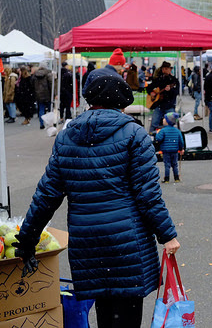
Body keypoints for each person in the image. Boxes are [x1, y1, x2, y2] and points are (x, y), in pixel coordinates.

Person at [13, 74, 180, 327]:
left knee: (105, 313)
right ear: (121, 103)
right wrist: (167, 235)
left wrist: (27, 239)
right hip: (127, 243)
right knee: (127, 313)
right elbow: (147, 195)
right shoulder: (134, 134)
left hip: (88, 243)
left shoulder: (67, 137)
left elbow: (47, 195)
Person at [147, 61, 179, 133]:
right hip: (159, 105)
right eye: (163, 69)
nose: (164, 71)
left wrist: (170, 90)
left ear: (170, 69)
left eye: (166, 69)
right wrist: (151, 92)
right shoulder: (158, 79)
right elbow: (149, 87)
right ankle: (151, 138)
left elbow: (177, 92)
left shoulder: (174, 80)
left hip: (169, 105)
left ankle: (170, 138)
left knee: (170, 124)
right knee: (154, 124)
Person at [155, 112, 184, 183]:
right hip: (175, 150)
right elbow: (181, 141)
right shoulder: (177, 131)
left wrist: (157, 133)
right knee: (175, 164)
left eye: (165, 119)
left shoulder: (163, 130)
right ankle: (176, 178)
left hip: (166, 150)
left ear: (168, 121)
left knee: (167, 165)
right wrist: (181, 149)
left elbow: (158, 138)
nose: (163, 120)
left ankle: (167, 179)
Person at [33, 65, 53, 129]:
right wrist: (53, 94)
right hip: (48, 95)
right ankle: (51, 123)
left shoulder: (35, 75)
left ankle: (41, 124)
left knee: (41, 110)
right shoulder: (48, 74)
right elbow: (51, 85)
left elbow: (32, 85)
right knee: (50, 109)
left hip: (39, 95)